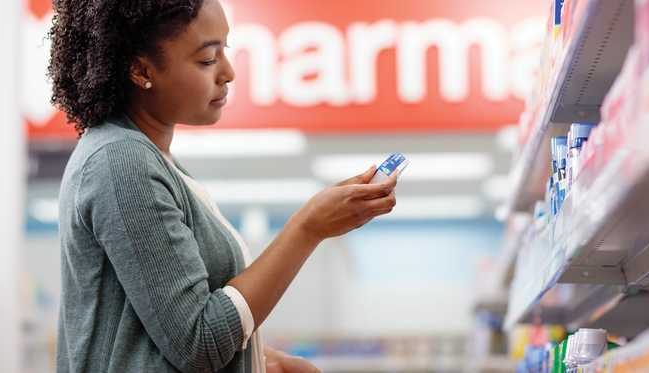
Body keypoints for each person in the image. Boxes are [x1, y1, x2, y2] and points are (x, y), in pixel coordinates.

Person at [48, 0, 397, 372]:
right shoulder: (120, 162)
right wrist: (307, 228)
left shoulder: (153, 160)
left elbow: (158, 335)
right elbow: (199, 344)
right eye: (207, 59)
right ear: (140, 69)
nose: (228, 72)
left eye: (225, 51)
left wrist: (257, 361)